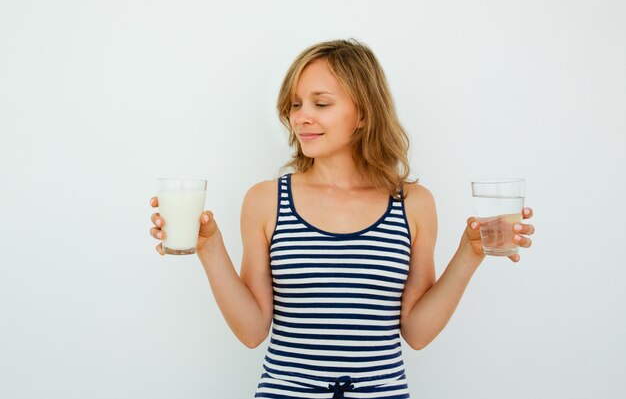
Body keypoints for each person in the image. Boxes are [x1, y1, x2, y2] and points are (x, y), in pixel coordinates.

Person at [149, 39, 535, 399]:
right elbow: (252, 332)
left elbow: (416, 333)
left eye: (321, 103)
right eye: (296, 104)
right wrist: (209, 247)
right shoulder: (267, 200)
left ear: (364, 113)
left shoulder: (413, 204)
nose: (301, 117)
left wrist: (471, 253)